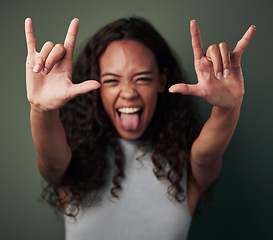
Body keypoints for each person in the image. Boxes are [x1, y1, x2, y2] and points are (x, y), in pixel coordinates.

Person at [25, 17, 255, 239]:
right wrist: (41, 108)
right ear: (96, 85)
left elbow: (207, 156)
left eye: (143, 78)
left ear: (161, 80)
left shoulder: (186, 165)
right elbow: (52, 160)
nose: (128, 92)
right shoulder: (73, 162)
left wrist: (228, 108)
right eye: (112, 80)